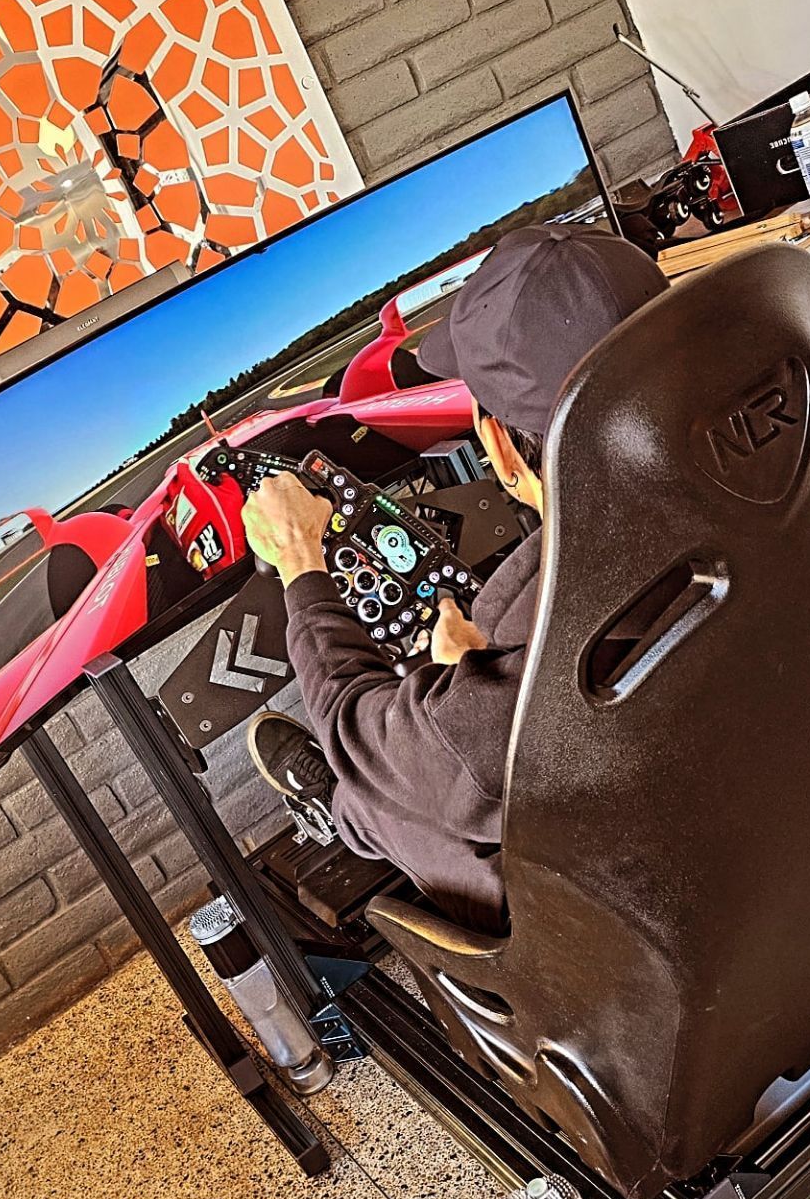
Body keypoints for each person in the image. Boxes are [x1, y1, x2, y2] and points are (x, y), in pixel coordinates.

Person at [241, 224, 668, 935]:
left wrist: (300, 565)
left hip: (662, 937)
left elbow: (360, 731)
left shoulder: (528, 671)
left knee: (385, 789)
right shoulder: (783, 472)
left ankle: (333, 808)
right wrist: (480, 673)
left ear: (498, 443)